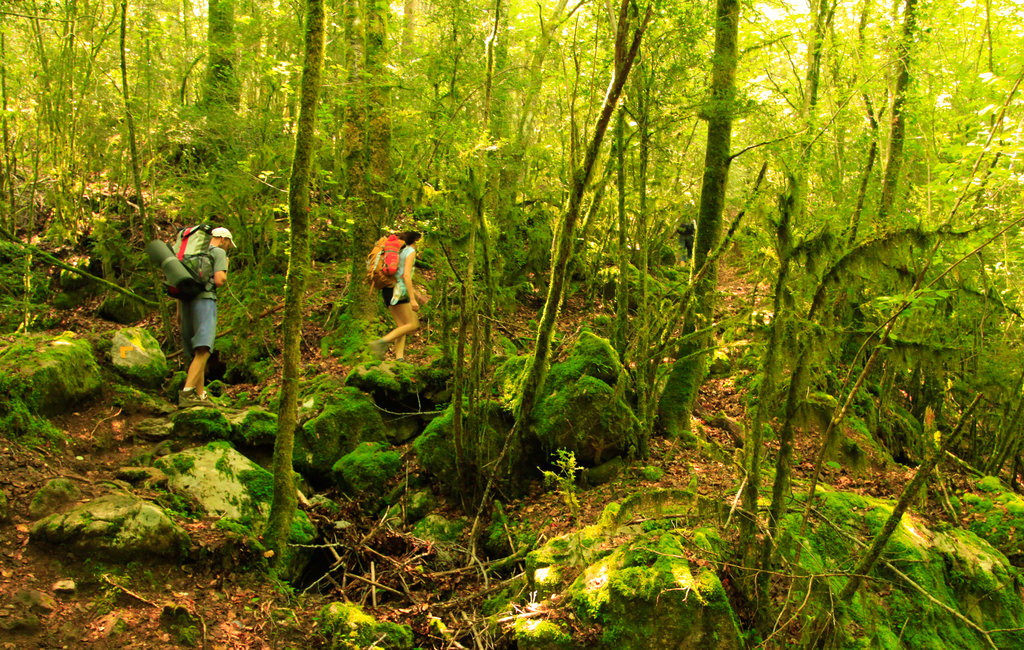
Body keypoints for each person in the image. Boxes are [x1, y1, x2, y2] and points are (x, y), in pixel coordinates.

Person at [178, 226, 235, 407]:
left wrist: (178, 312)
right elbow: (219, 280)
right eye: (228, 244)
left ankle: (200, 393)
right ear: (223, 239)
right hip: (204, 302)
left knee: (196, 352)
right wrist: (225, 266)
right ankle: (186, 394)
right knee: (204, 350)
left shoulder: (192, 254)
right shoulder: (217, 252)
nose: (227, 247)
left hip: (185, 302)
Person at [370, 231, 422, 362]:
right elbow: (405, 276)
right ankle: (381, 342)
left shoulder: (399, 252)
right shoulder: (410, 252)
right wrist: (413, 299)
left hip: (388, 290)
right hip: (398, 291)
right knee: (413, 323)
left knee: (402, 325)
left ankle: (399, 358)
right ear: (414, 241)